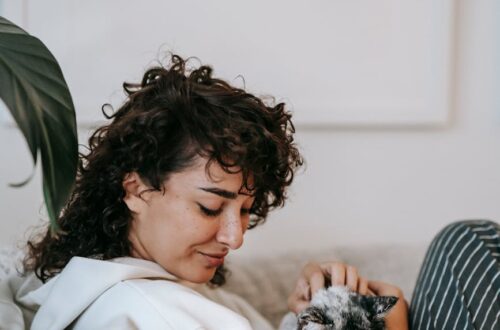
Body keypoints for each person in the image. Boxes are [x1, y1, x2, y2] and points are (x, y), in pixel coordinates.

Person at [0, 55, 497, 329]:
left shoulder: (139, 288)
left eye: (246, 209)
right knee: (468, 244)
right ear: (135, 186)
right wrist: (391, 322)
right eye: (210, 206)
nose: (235, 237)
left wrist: (316, 310)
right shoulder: (143, 312)